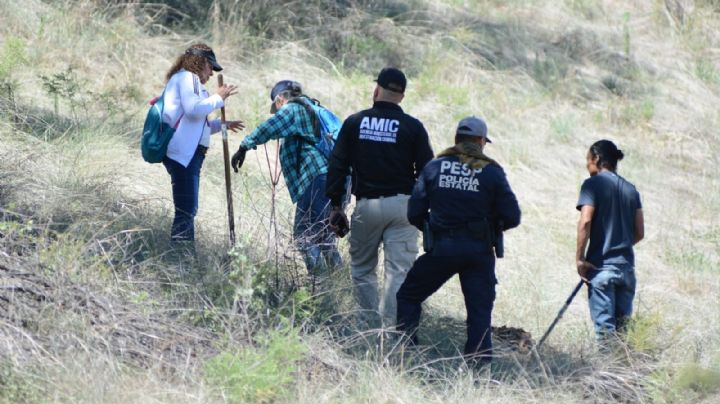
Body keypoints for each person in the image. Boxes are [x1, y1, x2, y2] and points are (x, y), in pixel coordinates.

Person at [395, 116, 521, 365]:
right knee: (479, 312)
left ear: (456, 139)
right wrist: (490, 227)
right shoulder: (492, 171)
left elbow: (414, 213)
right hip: (479, 252)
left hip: (442, 248)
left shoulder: (434, 167)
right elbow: (512, 216)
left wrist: (434, 228)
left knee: (408, 296)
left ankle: (405, 353)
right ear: (481, 141)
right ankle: (478, 367)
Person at [326, 67, 434, 329]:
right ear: (402, 96)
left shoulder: (355, 122)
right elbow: (428, 172)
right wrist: (420, 208)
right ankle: (394, 332)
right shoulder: (413, 127)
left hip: (368, 206)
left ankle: (368, 328)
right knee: (399, 273)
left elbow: (337, 165)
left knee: (363, 270)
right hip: (403, 207)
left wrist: (336, 206)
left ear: (377, 90)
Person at [230, 80, 344, 275]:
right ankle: (338, 280)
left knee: (304, 234)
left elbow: (270, 127)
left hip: (316, 178)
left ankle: (320, 282)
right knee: (323, 235)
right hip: (333, 179)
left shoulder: (292, 108)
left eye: (276, 106)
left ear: (279, 99)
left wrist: (244, 146)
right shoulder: (313, 107)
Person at [162, 44, 243, 245]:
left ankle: (183, 254)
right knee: (186, 209)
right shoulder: (186, 78)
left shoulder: (188, 81)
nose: (211, 74)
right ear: (202, 63)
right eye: (210, 68)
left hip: (189, 153)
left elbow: (197, 123)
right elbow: (192, 110)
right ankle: (181, 257)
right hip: (183, 154)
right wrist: (219, 98)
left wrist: (221, 125)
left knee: (188, 207)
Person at [576, 140, 644, 343]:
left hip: (601, 269)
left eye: (588, 160)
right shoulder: (631, 190)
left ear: (596, 159)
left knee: (606, 336)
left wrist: (580, 259)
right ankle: (623, 373)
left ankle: (606, 376)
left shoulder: (592, 184)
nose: (588, 166)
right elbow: (639, 232)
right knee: (622, 336)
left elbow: (585, 220)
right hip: (626, 270)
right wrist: (619, 245)